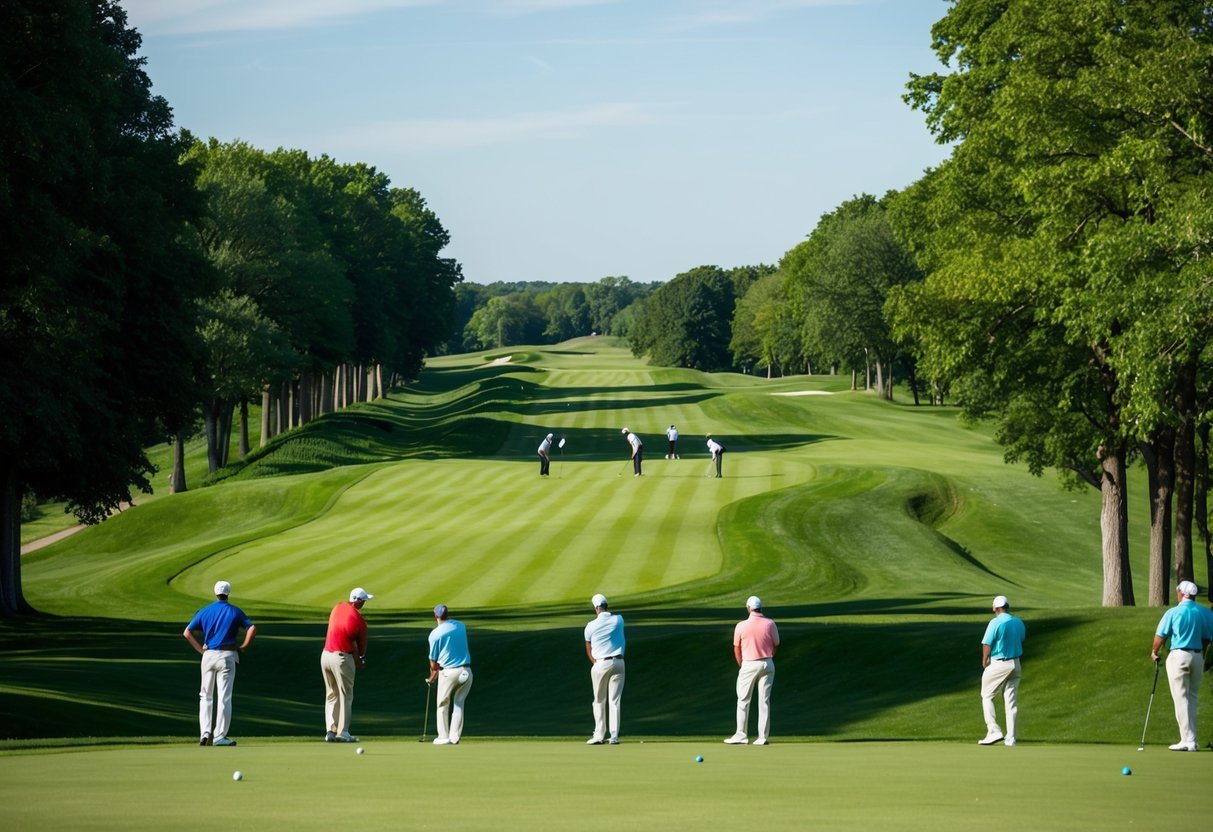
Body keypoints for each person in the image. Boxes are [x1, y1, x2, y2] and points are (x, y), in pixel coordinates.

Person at [183, 580, 256, 747]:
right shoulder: (235, 611)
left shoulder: (205, 611)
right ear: (228, 593)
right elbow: (252, 628)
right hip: (227, 656)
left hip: (208, 656)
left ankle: (205, 733)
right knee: (224, 697)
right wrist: (243, 647)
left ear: (215, 593)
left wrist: (201, 651)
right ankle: (219, 736)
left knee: (205, 696)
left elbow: (187, 632)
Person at [1151, 580, 1213, 751]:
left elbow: (1160, 636)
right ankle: (1190, 738)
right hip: (1197, 657)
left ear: (1182, 593)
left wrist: (1154, 652)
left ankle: (1188, 741)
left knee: (1181, 698)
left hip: (1179, 656)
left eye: (1178, 590)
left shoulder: (1174, 612)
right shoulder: (1204, 612)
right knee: (1191, 697)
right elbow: (1209, 636)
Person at [321, 587, 373, 743]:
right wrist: (361, 660)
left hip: (325, 656)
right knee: (346, 695)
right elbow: (361, 648)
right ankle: (343, 732)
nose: (364, 603)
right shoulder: (359, 620)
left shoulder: (337, 607)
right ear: (358, 601)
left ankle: (330, 730)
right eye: (363, 601)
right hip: (342, 658)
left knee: (331, 694)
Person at [726, 595, 779, 745]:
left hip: (749, 664)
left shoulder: (741, 625)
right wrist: (768, 658)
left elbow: (737, 648)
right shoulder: (770, 623)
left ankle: (741, 735)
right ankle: (762, 738)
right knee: (764, 701)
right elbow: (776, 644)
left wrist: (742, 664)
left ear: (748, 609)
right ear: (761, 608)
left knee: (743, 700)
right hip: (767, 663)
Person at [979, 594, 1025, 746]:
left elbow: (987, 643)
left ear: (995, 609)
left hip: (999, 662)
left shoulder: (995, 622)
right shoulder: (1018, 622)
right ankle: (1011, 738)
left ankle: (994, 730)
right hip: (1016, 664)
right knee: (1011, 701)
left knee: (986, 695)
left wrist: (984, 660)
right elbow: (1021, 639)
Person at [426, 604, 474, 745]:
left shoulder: (435, 634)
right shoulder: (461, 625)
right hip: (467, 671)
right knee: (459, 704)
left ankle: (443, 737)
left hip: (449, 673)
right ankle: (454, 737)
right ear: (448, 614)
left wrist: (432, 675)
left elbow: (433, 664)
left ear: (435, 616)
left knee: (443, 704)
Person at [584, 593, 626, 744]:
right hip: (619, 663)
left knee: (599, 700)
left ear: (596, 608)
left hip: (600, 663)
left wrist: (594, 661)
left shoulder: (590, 626)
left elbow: (588, 646)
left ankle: (599, 736)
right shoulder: (619, 619)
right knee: (615, 701)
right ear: (607, 606)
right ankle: (613, 736)